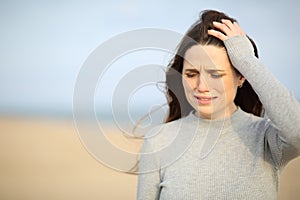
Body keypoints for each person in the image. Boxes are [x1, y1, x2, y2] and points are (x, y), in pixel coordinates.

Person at [137, 9, 300, 199]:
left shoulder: (266, 138)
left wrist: (247, 59)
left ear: (241, 77)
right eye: (191, 74)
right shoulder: (159, 141)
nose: (201, 86)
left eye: (215, 75)